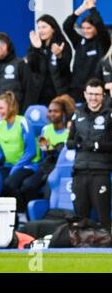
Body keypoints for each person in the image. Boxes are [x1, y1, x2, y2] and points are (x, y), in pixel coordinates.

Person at [66, 78, 112, 232]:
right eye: (90, 94)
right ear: (85, 94)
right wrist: (78, 144)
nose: (93, 98)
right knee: (80, 218)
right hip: (79, 171)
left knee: (103, 217)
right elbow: (69, 143)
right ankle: (80, 251)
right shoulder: (77, 114)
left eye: (97, 94)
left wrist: (96, 146)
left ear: (103, 96)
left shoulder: (109, 115)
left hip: (101, 172)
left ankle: (107, 251)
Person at [20, 95, 75, 202]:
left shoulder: (69, 131)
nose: (52, 114)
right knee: (28, 185)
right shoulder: (45, 129)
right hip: (47, 166)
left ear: (63, 113)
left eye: (56, 111)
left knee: (49, 187)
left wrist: (55, 149)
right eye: (50, 111)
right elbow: (44, 154)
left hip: (62, 168)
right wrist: (45, 148)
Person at [0, 92, 40, 219]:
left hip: (28, 165)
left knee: (10, 183)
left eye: (1, 108)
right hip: (9, 165)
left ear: (10, 107)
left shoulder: (23, 122)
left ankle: (21, 215)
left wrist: (15, 169)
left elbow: (31, 152)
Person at [63, 0, 111, 103]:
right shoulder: (80, 41)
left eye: (89, 28)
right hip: (77, 89)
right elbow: (67, 26)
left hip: (95, 90)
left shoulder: (102, 42)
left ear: (95, 29)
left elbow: (100, 24)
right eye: (83, 28)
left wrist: (92, 7)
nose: (85, 31)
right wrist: (82, 8)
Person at [24, 14, 72, 109]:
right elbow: (33, 67)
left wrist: (59, 56)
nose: (41, 30)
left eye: (44, 27)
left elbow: (65, 70)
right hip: (38, 96)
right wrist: (37, 49)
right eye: (39, 28)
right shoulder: (35, 45)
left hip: (57, 94)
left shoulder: (62, 45)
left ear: (53, 29)